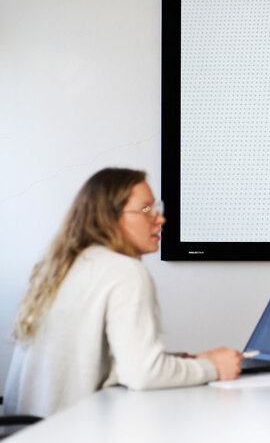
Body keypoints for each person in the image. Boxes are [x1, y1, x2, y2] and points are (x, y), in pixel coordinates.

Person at [3, 168, 242, 418]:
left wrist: (190, 361)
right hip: (69, 429)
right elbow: (142, 373)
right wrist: (213, 368)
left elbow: (112, 361)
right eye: (146, 209)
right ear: (110, 217)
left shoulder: (60, 267)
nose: (160, 219)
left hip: (30, 429)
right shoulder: (124, 271)